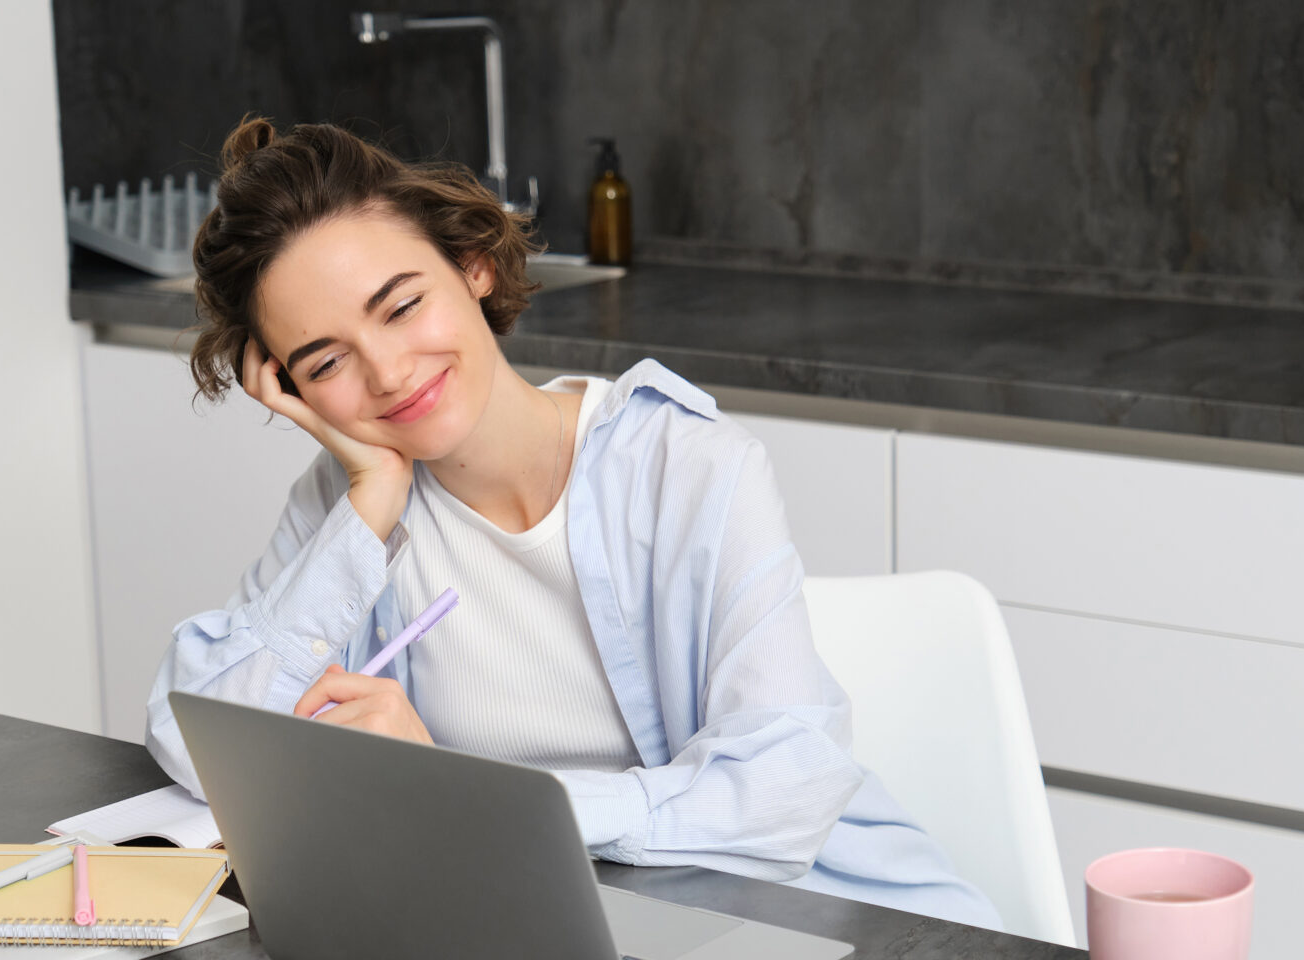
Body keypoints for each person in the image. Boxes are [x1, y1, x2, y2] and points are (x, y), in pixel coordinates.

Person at [140, 116, 997, 929]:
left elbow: (785, 786)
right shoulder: (348, 505)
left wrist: (462, 795)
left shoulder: (683, 465)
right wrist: (368, 500)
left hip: (813, 917)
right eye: (327, 361)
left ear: (473, 265)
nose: (389, 373)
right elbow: (195, 737)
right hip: (550, 920)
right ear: (288, 389)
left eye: (400, 307)